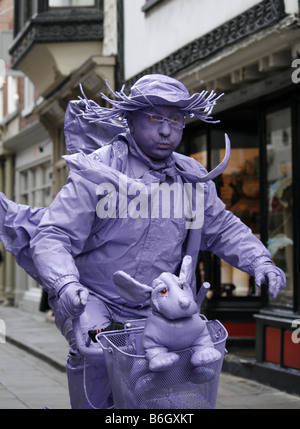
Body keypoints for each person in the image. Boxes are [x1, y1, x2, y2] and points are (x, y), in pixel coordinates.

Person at [0, 74, 285, 409]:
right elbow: (54, 234)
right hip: (93, 297)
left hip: (161, 304)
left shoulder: (192, 177)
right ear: (130, 120)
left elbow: (221, 227)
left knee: (164, 385)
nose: (166, 131)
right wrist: (65, 284)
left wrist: (259, 260)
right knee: (94, 352)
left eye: (175, 120)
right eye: (154, 118)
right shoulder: (99, 169)